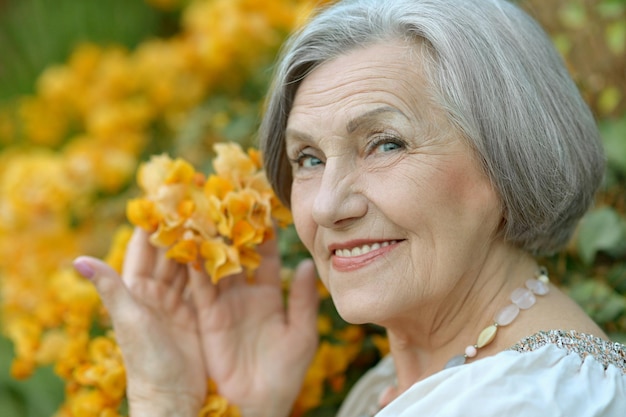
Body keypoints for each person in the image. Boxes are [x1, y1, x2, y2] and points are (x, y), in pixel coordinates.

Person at [73, 0, 626, 416]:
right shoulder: (426, 380)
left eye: (386, 143)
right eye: (308, 158)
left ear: (509, 159)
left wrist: (163, 404)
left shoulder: (517, 402)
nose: (329, 205)